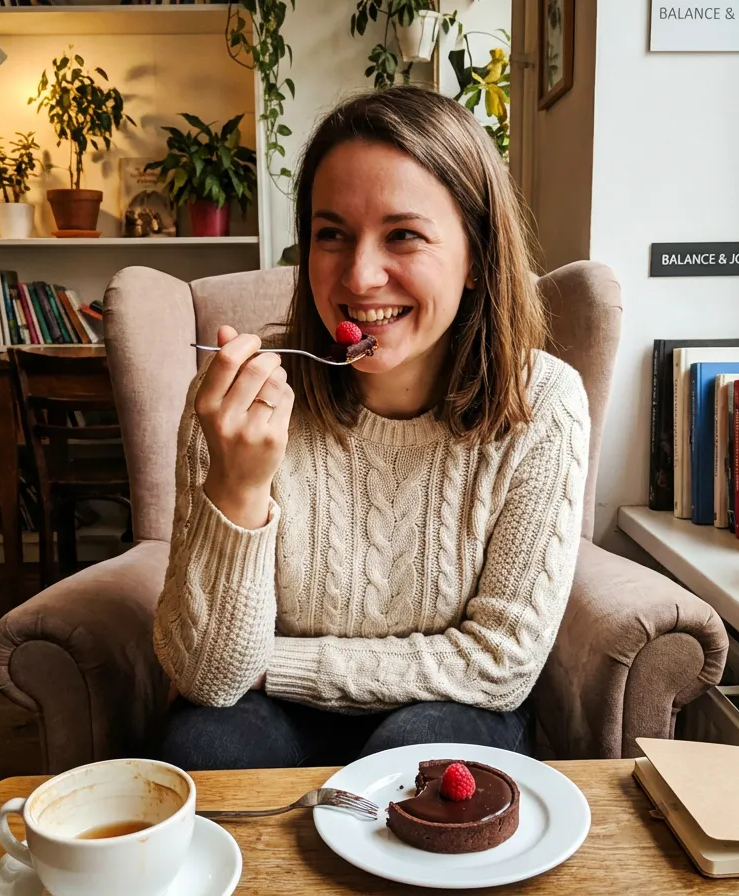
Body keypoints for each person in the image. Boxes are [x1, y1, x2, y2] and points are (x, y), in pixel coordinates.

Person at [153, 85, 589, 770]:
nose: (360, 275)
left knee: (411, 757)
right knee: (201, 743)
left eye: (403, 235)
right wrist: (238, 488)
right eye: (332, 234)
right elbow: (209, 679)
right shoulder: (237, 406)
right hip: (273, 715)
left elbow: (498, 665)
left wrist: (279, 663)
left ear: (476, 256)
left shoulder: (544, 405)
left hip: (452, 710)